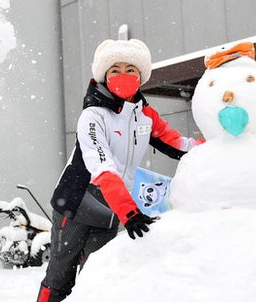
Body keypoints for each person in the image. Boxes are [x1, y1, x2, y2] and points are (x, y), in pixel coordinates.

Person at [37, 39, 204, 301]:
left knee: (99, 279)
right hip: (77, 203)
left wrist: (219, 145)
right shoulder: (92, 116)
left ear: (140, 76)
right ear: (103, 75)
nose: (123, 75)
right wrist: (129, 211)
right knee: (60, 279)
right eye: (115, 70)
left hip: (112, 209)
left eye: (130, 69)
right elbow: (103, 168)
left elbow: (178, 144)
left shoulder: (145, 115)